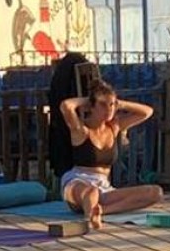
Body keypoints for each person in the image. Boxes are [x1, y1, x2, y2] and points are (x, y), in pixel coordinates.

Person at [60, 81, 163, 229]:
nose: (108, 109)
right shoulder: (81, 130)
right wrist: (88, 100)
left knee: (155, 193)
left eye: (112, 105)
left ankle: (101, 211)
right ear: (92, 107)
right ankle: (90, 216)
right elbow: (66, 106)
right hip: (78, 183)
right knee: (91, 192)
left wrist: (119, 103)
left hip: (103, 186)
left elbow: (147, 112)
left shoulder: (114, 128)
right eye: (102, 105)